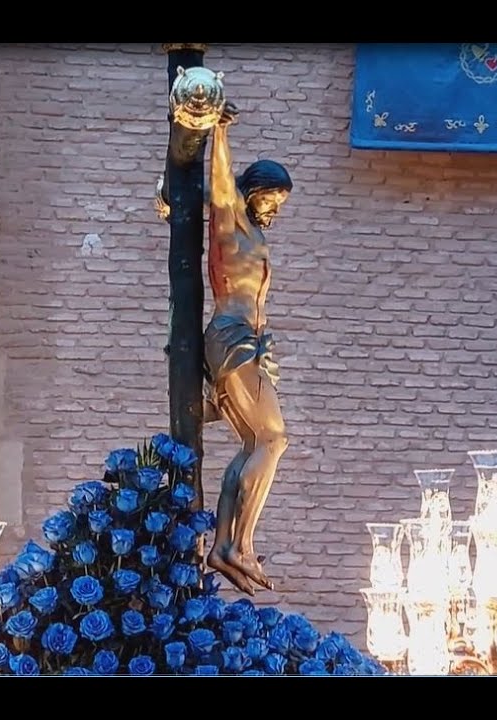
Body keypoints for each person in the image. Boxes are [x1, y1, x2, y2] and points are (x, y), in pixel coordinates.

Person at [202, 102, 293, 595]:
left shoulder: (253, 234)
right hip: (231, 338)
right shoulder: (231, 223)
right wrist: (218, 130)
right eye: (272, 197)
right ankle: (241, 545)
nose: (275, 208)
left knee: (255, 443)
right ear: (253, 192)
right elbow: (220, 183)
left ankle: (224, 545)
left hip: (250, 342)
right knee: (273, 439)